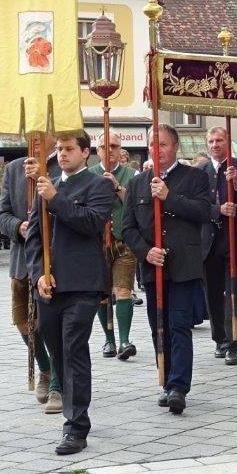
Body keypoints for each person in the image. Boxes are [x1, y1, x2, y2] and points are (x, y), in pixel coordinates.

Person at [24, 132, 114, 455]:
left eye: (69, 149)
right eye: (59, 149)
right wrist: (38, 273)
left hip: (83, 284)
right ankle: (71, 406)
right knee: (58, 351)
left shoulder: (98, 185)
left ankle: (76, 426)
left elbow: (91, 222)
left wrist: (55, 200)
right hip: (50, 286)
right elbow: (34, 237)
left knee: (74, 348)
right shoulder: (46, 187)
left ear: (86, 152)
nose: (62, 154)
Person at [122, 125, 212, 415]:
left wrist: (169, 197)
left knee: (179, 324)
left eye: (163, 144)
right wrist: (145, 251)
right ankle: (166, 376)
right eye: (152, 144)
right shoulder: (137, 183)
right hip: (154, 267)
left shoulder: (195, 177)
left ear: (175, 147)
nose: (157, 149)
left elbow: (204, 212)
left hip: (184, 264)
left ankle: (178, 386)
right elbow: (128, 228)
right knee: (159, 326)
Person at [0, 152, 60, 411]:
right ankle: (45, 367)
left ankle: (57, 383)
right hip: (22, 260)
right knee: (23, 321)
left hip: (53, 259)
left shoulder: (62, 164)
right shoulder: (14, 168)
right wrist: (18, 226)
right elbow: (1, 215)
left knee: (52, 323)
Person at [202, 125, 237, 366]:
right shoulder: (201, 171)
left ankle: (233, 342)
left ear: (227, 142)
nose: (215, 145)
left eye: (219, 140)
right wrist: (218, 210)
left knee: (234, 292)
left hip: (234, 241)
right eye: (211, 141)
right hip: (209, 242)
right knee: (213, 293)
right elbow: (195, 206)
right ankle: (219, 339)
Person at [95, 134, 139, 359]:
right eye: (104, 146)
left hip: (123, 243)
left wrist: (117, 187)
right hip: (96, 244)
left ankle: (124, 340)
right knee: (102, 294)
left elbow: (136, 206)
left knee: (123, 290)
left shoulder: (132, 175)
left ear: (121, 149)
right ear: (97, 150)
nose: (109, 150)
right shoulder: (88, 174)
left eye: (114, 146)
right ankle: (109, 340)